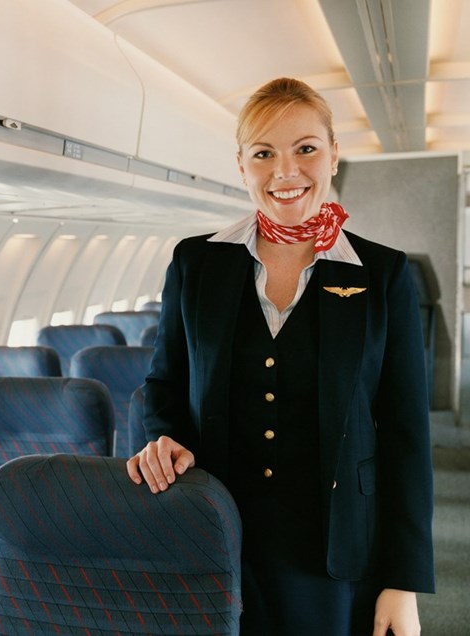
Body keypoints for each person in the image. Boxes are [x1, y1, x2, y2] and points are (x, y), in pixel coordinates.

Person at [126, 77, 434, 635]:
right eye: (264, 153)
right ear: (242, 165)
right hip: (218, 542)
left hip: (336, 551)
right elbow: (164, 384)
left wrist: (403, 580)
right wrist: (163, 436)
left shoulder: (383, 275)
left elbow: (405, 434)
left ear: (334, 155)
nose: (285, 172)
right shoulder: (197, 264)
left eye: (306, 149)